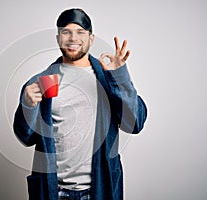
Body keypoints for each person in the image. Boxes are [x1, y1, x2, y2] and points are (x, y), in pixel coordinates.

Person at [13, 8, 147, 200]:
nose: (73, 38)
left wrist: (120, 76)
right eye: (66, 32)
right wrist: (27, 105)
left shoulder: (108, 79)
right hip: (54, 190)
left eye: (80, 32)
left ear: (91, 38)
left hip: (99, 190)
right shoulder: (40, 81)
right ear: (58, 38)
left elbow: (135, 124)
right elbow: (25, 137)